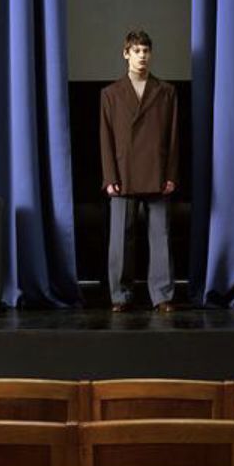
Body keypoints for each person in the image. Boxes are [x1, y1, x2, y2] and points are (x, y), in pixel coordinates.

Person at [99, 29, 179, 313]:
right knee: (120, 239)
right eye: (136, 51)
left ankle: (163, 295)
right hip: (123, 174)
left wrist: (171, 174)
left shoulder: (166, 92)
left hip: (156, 172)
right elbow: (105, 138)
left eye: (146, 50)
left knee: (162, 237)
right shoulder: (110, 94)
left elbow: (173, 137)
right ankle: (120, 296)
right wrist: (109, 177)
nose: (142, 56)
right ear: (126, 54)